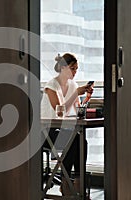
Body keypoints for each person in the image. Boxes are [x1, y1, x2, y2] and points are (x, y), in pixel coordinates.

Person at [41, 53, 93, 196]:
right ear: (63, 68)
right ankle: (68, 184)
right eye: (72, 68)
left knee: (81, 140)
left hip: (63, 130)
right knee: (74, 139)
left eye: (76, 69)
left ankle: (76, 183)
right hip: (47, 131)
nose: (75, 72)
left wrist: (86, 99)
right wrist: (76, 93)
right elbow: (59, 112)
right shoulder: (51, 86)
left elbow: (77, 111)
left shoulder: (73, 85)